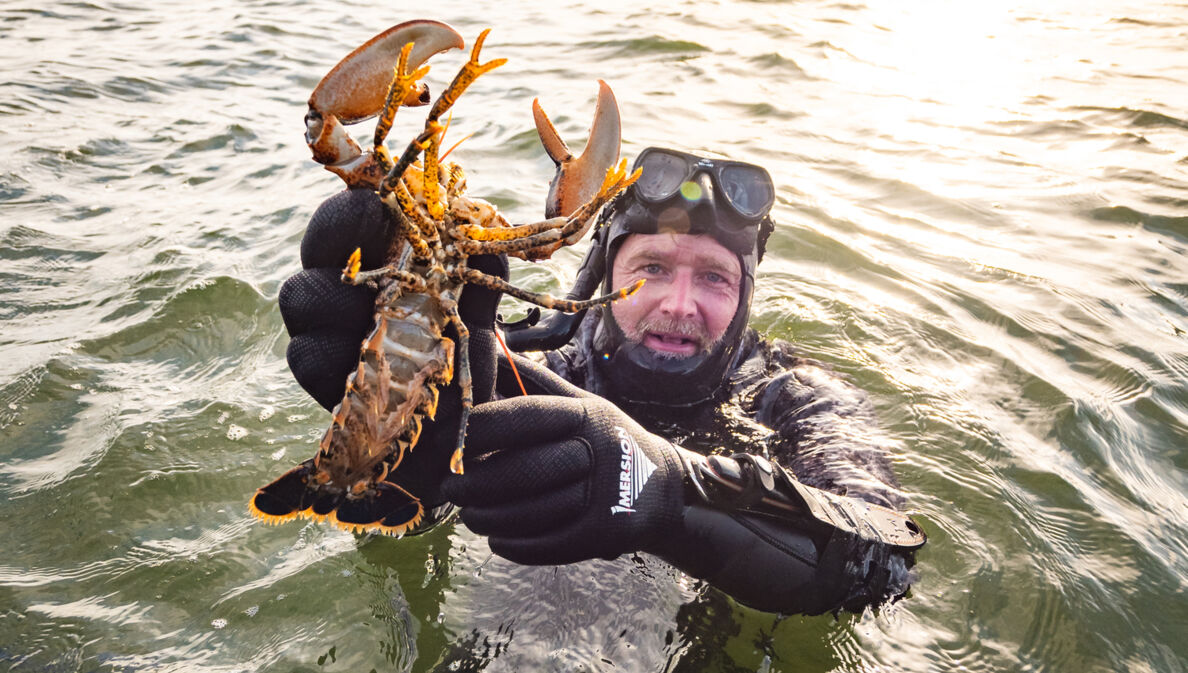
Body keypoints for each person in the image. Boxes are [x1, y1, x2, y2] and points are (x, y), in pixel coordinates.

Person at [279, 147, 924, 616]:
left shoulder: (796, 398)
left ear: (746, 294)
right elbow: (427, 514)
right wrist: (396, 435)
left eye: (714, 278)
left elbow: (885, 560)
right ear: (604, 272)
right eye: (650, 267)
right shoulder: (531, 370)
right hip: (516, 622)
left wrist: (670, 488)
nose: (678, 304)